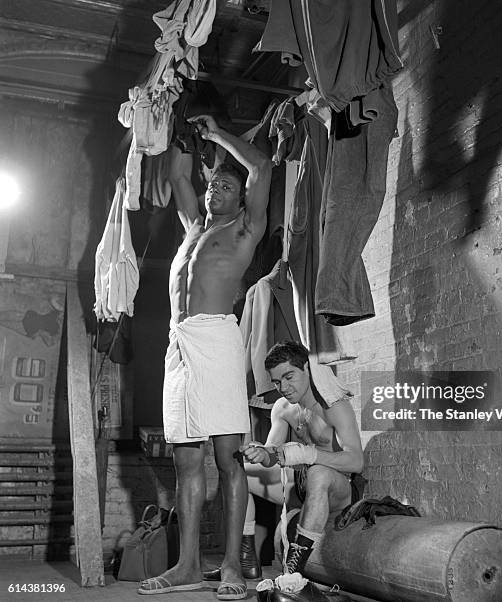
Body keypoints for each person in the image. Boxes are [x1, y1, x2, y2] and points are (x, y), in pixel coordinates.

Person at [137, 114, 271, 600]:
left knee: (228, 458)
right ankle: (187, 566)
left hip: (216, 339)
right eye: (213, 185)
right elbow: (177, 176)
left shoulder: (245, 230)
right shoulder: (193, 227)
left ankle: (232, 567)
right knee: (185, 460)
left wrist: (215, 135)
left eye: (226, 187)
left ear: (242, 199)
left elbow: (261, 166)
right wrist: (176, 123)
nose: (215, 191)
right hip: (179, 346)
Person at [241, 341, 364, 576]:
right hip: (299, 485)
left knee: (318, 471)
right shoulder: (282, 407)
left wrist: (309, 454)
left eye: (289, 377)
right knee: (240, 472)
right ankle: (247, 557)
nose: (283, 387)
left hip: (337, 488)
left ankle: (294, 570)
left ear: (306, 369)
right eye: (277, 382)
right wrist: (261, 453)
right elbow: (272, 456)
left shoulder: (334, 405)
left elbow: (357, 461)